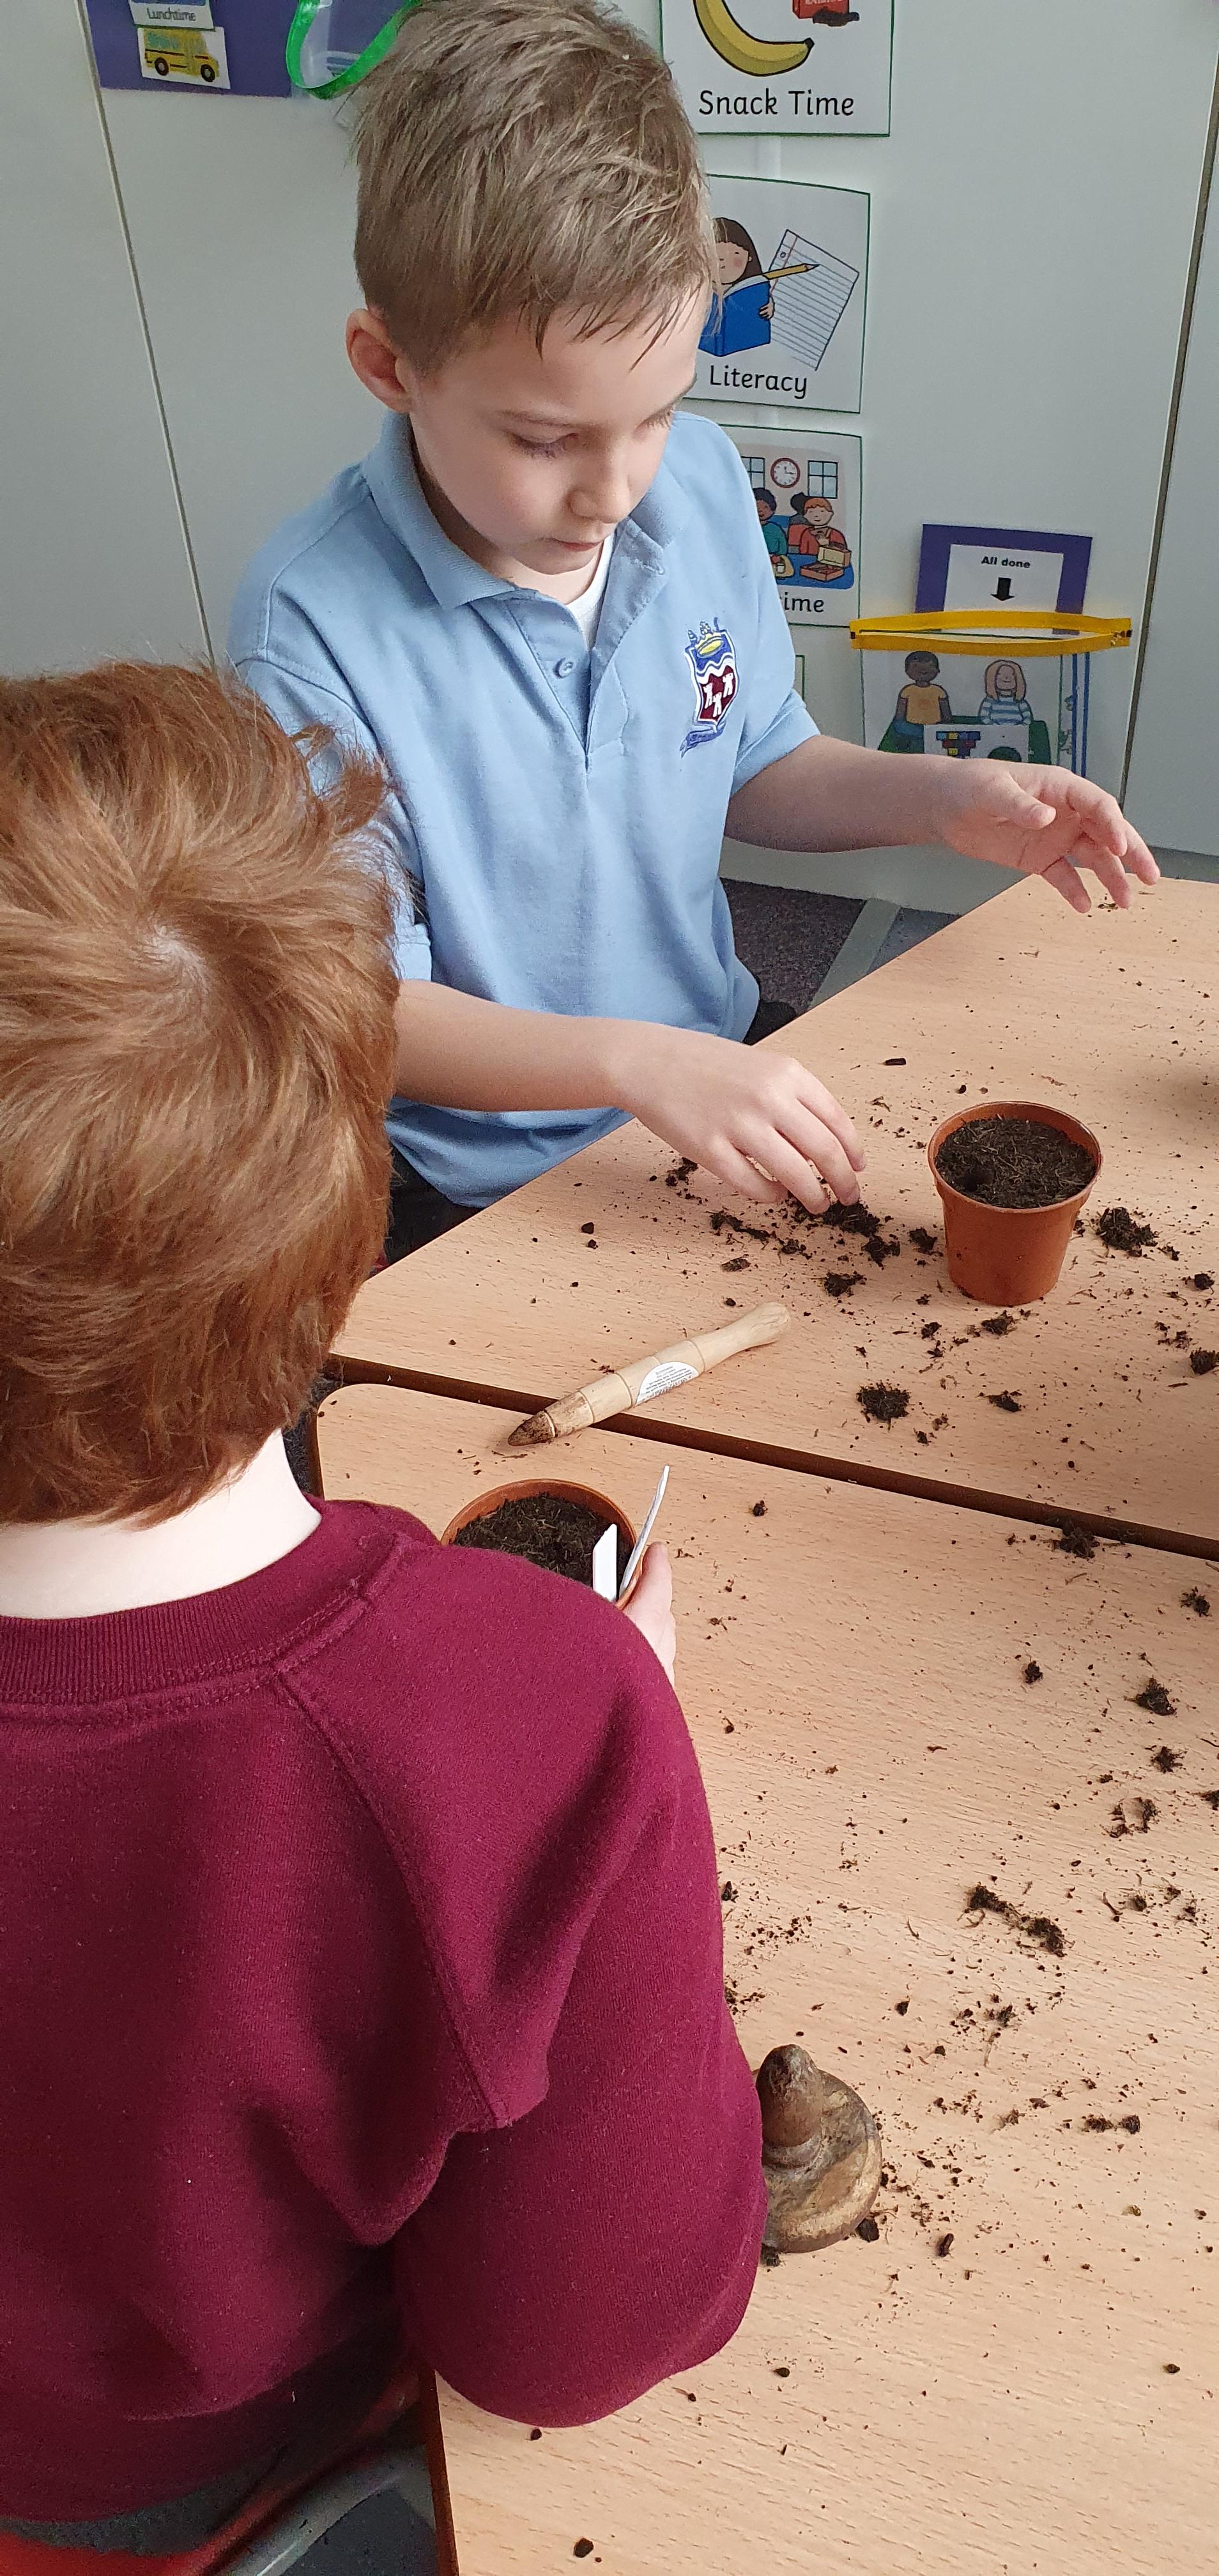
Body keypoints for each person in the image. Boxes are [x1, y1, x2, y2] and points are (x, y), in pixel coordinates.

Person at [0, 663, 770, 2546]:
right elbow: (571, 2343)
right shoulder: (539, 1731)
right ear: (355, 1206)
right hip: (213, 2484)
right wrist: (592, 1741)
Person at [230, 0, 1158, 1263]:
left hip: (703, 1066)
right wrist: (635, 1065)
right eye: (544, 439)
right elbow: (357, 1010)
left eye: (658, 413)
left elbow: (753, 761)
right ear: (390, 366)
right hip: (474, 1172)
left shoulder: (706, 484)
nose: (615, 492)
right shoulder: (307, 630)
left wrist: (939, 800)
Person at [698, 218, 774, 359]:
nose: (724, 264)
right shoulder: (695, 286)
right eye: (716, 257)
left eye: (736, 254)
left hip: (749, 352)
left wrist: (768, 304)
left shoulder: (754, 286)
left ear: (749, 257)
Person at [785, 491, 853, 584]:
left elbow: (843, 556)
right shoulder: (807, 533)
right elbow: (804, 553)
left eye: (822, 511)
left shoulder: (836, 534)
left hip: (832, 568)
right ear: (805, 516)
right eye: (811, 512)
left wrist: (827, 545)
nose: (817, 515)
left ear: (830, 514)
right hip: (812, 566)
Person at [977, 658, 1034, 725]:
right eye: (1000, 674)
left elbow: (1028, 718)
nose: (1007, 678)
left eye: (1012, 674)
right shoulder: (990, 700)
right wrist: (994, 726)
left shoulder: (1020, 702)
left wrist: (1020, 727)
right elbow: (984, 716)